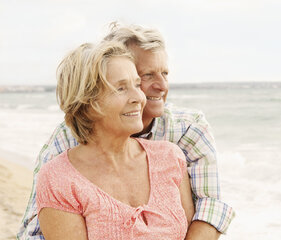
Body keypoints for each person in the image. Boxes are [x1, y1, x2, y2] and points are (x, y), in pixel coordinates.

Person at [18, 24, 235, 240]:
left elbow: (210, 207)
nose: (161, 86)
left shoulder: (181, 139)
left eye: (137, 83)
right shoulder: (63, 148)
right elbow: (35, 230)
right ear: (88, 101)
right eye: (147, 76)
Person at [36, 40, 195, 239]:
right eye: (121, 88)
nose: (138, 97)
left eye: (137, 84)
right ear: (86, 102)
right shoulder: (59, 179)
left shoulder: (170, 157)